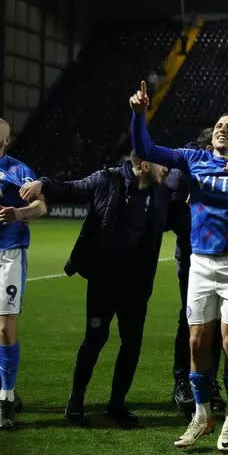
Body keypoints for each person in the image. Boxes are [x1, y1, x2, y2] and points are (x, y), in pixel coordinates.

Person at [129, 81, 228, 452]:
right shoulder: (192, 158)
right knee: (197, 340)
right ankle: (202, 415)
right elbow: (145, 149)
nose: (223, 128)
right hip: (200, 262)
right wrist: (139, 115)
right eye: (219, 124)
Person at [21, 152, 171, 427]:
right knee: (94, 340)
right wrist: (43, 183)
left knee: (132, 344)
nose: (168, 168)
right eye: (162, 163)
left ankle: (116, 405)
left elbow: (182, 214)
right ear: (145, 166)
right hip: (104, 279)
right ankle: (76, 401)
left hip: (138, 284)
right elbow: (71, 189)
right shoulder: (107, 180)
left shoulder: (162, 193)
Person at [171, 127, 224, 418]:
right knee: (190, 318)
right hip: (192, 253)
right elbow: (172, 203)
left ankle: (210, 381)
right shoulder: (187, 166)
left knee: (216, 320)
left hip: (223, 255)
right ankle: (182, 381)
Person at [0, 118, 47, 430]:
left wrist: (19, 213)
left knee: (4, 328)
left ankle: (6, 397)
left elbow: (41, 207)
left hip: (9, 253)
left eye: (1, 139)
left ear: (7, 140)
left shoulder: (18, 170)